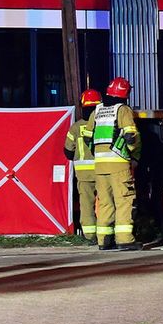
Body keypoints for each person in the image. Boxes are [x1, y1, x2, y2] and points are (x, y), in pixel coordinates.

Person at [90, 76, 142, 251]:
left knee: (105, 202)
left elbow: (89, 138)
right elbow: (131, 136)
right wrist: (134, 156)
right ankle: (125, 239)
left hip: (99, 165)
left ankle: (104, 240)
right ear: (125, 93)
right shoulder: (123, 110)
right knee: (124, 201)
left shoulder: (96, 110)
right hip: (119, 164)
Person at [64, 88, 102, 242]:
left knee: (86, 205)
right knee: (106, 203)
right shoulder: (103, 125)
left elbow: (67, 152)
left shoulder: (75, 127)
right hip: (103, 171)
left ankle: (89, 235)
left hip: (83, 174)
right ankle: (105, 235)